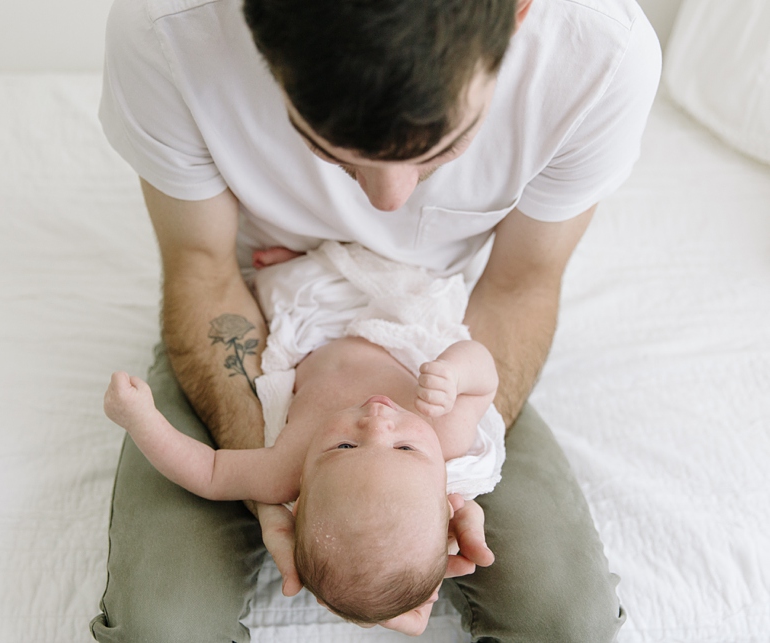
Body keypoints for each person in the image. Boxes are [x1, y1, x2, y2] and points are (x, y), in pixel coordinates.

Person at [89, 0, 662, 641]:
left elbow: (519, 286)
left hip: (447, 320)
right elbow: (204, 269)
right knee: (161, 631)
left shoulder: (601, 55)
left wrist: (426, 491)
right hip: (262, 317)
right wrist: (286, 480)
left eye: (443, 146)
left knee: (567, 625)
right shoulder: (166, 29)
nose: (388, 201)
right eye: (329, 150)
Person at [103, 241, 502, 633]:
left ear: (299, 498)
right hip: (401, 322)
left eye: (345, 447)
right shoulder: (447, 433)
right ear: (447, 497)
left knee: (277, 293)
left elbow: (208, 472)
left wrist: (140, 420)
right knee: (408, 279)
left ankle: (310, 262)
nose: (377, 423)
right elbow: (486, 380)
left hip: (315, 328)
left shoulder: (286, 466)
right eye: (405, 448)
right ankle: (321, 259)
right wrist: (455, 372)